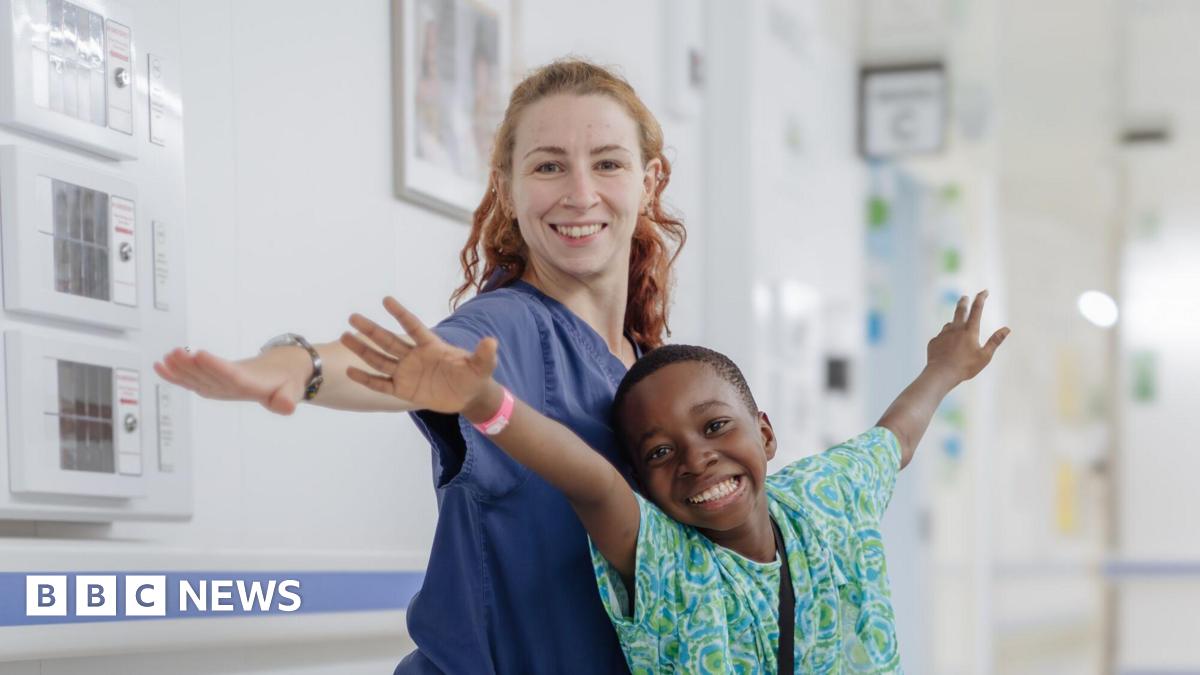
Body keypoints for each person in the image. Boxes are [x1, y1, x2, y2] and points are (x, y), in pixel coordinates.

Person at [153, 59, 685, 673]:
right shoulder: (511, 328)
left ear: (650, 180)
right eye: (548, 166)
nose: (580, 193)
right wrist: (298, 365)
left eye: (608, 163)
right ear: (508, 189)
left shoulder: (651, 370)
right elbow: (418, 364)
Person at [337, 291, 1010, 673]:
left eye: (716, 426)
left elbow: (894, 439)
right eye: (660, 451)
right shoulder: (667, 567)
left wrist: (946, 369)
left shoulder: (824, 500)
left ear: (765, 433)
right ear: (647, 481)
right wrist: (487, 404)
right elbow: (589, 480)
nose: (696, 457)